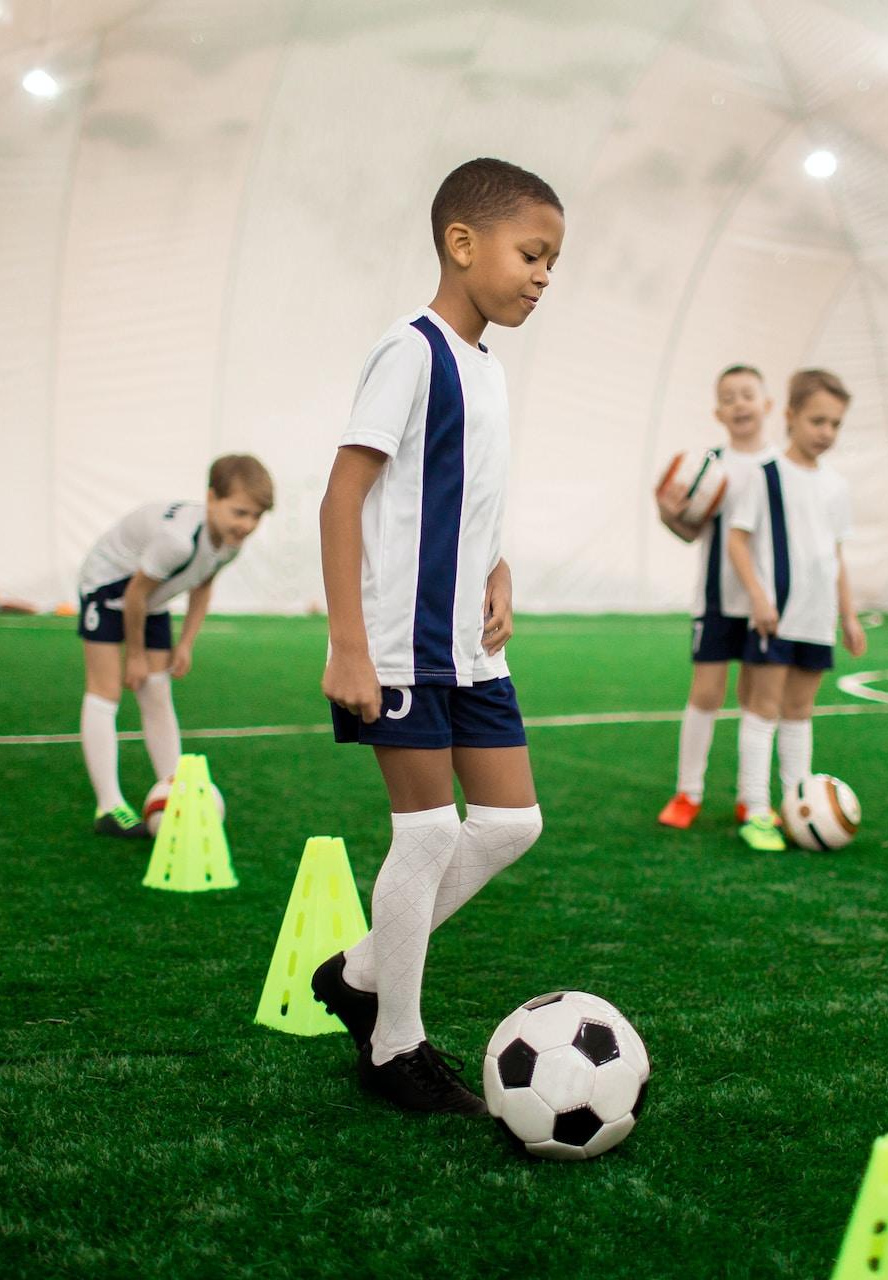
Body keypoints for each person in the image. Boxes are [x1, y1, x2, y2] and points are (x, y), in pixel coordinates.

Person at [310, 157, 563, 1115]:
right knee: (424, 835)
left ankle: (360, 972)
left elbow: (472, 493)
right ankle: (394, 1046)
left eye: (553, 263)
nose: (544, 275)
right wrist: (347, 643)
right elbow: (344, 495)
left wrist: (499, 568)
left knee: (511, 823)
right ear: (463, 244)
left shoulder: (488, 368)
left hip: (471, 644)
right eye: (531, 254)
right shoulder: (410, 350)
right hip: (401, 640)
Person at [73, 456, 273, 837]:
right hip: (110, 585)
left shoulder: (231, 542)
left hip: (151, 596)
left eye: (256, 516)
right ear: (211, 497)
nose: (246, 525)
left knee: (158, 690)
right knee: (106, 690)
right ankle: (109, 807)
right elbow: (134, 596)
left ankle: (176, 790)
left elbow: (203, 584)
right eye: (239, 512)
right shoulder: (177, 541)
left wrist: (186, 643)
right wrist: (134, 656)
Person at [725, 369, 868, 851]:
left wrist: (847, 615)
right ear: (790, 417)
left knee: (800, 713)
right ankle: (755, 809)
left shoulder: (836, 486)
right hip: (775, 617)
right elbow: (738, 542)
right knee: (764, 709)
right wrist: (760, 599)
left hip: (817, 618)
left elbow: (837, 556)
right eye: (817, 421)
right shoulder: (765, 476)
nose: (826, 432)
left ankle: (796, 805)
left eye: (835, 424)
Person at [655, 364, 777, 830]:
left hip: (764, 604)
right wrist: (669, 514)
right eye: (729, 397)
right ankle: (688, 794)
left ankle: (751, 796)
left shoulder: (779, 468)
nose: (739, 403)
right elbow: (690, 532)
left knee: (755, 697)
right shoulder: (707, 467)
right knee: (706, 693)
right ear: (717, 411)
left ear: (766, 404)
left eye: (748, 394)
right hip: (715, 599)